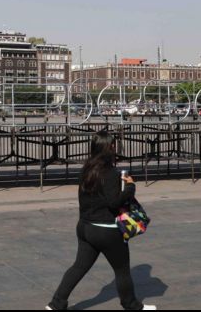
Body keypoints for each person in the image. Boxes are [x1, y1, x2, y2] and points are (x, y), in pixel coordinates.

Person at [47, 130, 155, 311]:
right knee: (122, 270)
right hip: (105, 229)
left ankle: (56, 304)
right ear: (109, 147)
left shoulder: (87, 169)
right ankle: (132, 306)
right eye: (113, 145)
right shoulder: (110, 173)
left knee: (79, 267)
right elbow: (114, 202)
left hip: (85, 227)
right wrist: (130, 186)